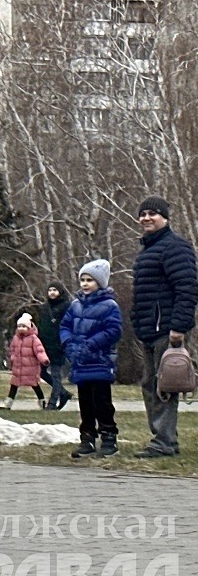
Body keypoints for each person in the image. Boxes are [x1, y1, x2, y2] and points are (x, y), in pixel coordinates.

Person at [129, 196, 197, 458]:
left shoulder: (174, 247)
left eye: (153, 213)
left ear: (165, 218)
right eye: (143, 214)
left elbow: (187, 288)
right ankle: (164, 439)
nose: (146, 218)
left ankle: (164, 442)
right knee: (151, 384)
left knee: (164, 385)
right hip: (149, 329)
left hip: (166, 329)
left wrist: (178, 327)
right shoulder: (149, 249)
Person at [60, 260, 122, 459]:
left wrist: (92, 343)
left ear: (100, 283)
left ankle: (109, 437)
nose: (85, 284)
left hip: (100, 361)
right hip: (80, 363)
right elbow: (65, 326)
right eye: (83, 280)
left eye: (90, 280)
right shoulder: (75, 305)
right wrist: (68, 342)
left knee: (101, 402)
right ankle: (87, 438)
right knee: (85, 403)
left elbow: (114, 330)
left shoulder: (109, 306)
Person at [0, 314, 49, 411]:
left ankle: (42, 401)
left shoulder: (33, 338)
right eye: (19, 326)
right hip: (18, 367)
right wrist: (12, 358)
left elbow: (39, 351)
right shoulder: (16, 338)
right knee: (14, 385)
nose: (21, 328)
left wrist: (44, 359)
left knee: (35, 385)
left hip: (30, 367)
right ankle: (8, 403)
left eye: (24, 326)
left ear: (29, 327)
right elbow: (12, 349)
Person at [37, 281, 73, 410]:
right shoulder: (45, 307)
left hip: (58, 345)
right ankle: (63, 393)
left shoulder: (66, 306)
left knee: (56, 374)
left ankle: (52, 402)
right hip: (44, 345)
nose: (52, 293)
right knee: (40, 372)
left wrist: (64, 342)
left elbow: (68, 325)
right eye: (50, 290)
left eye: (55, 290)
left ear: (60, 292)